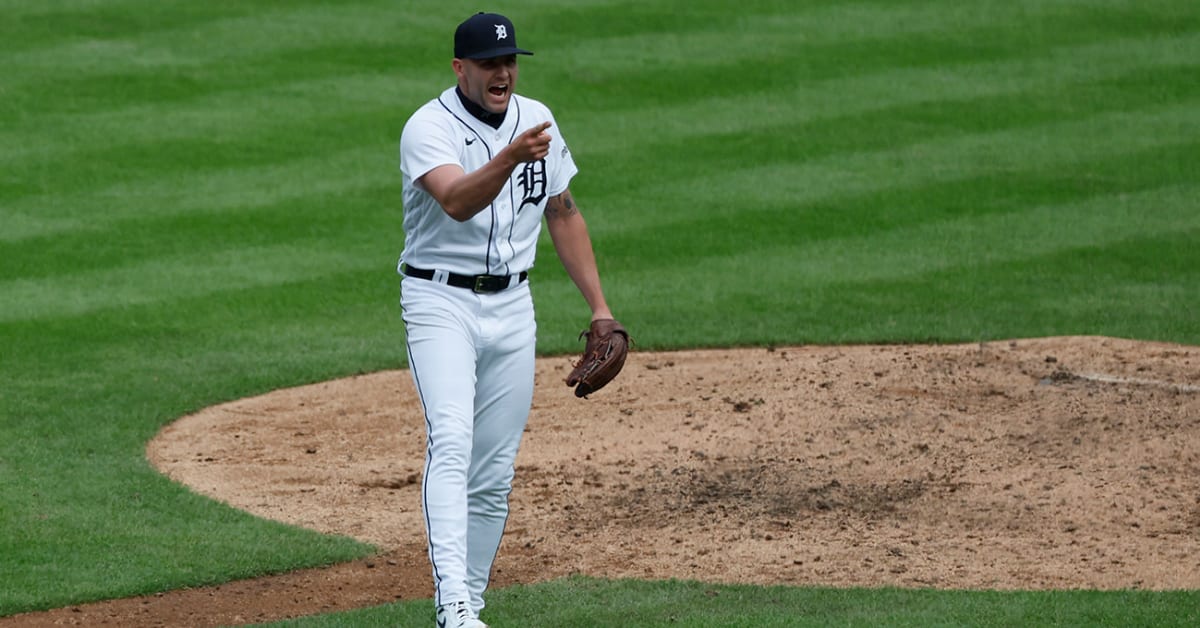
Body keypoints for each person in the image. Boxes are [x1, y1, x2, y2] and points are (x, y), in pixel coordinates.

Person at [396, 12, 618, 628]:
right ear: (460, 68)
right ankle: (452, 608)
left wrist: (599, 309)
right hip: (440, 304)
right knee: (452, 441)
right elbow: (459, 201)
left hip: (514, 307)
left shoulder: (535, 118)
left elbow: (564, 212)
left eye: (510, 61)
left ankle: (470, 606)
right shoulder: (429, 126)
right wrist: (511, 155)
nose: (503, 73)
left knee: (493, 471)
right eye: (490, 63)